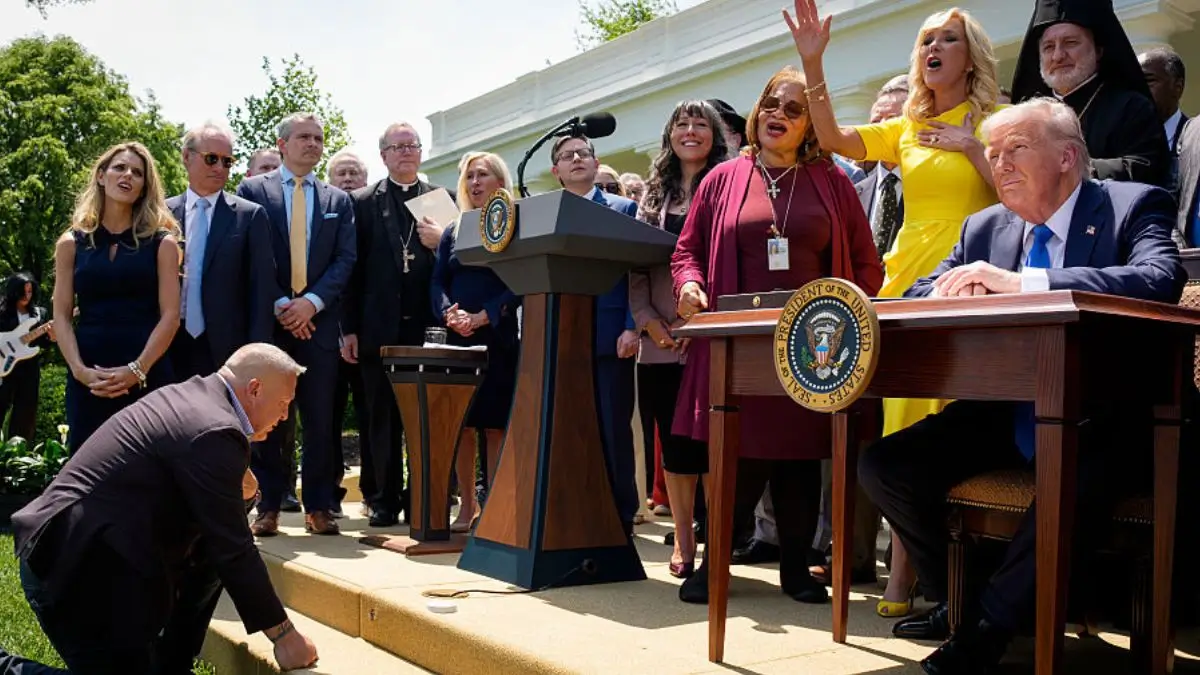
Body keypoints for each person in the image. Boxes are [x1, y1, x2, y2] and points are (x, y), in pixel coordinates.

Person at [859, 98, 1184, 674]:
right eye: (992, 153)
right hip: (1007, 411)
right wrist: (950, 291)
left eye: (1016, 149)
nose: (999, 164)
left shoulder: (1131, 204)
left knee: (1067, 476)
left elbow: (1159, 278)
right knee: (886, 466)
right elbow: (919, 294)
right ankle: (965, 601)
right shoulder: (984, 226)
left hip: (1109, 416)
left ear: (1067, 157)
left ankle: (984, 633)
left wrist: (1025, 283)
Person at [788, 0, 1003, 618]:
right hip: (906, 281)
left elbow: (1022, 192)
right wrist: (813, 63)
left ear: (971, 57)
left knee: (950, 427)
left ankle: (950, 582)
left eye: (948, 39)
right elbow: (834, 139)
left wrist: (973, 147)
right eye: (927, 39)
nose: (933, 48)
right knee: (899, 427)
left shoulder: (997, 120)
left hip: (972, 282)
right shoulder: (907, 125)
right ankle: (908, 577)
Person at [671, 64, 883, 605]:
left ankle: (795, 568)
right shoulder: (723, 178)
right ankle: (715, 564)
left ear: (810, 124)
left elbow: (866, 261)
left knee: (799, 453)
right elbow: (687, 250)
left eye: (793, 109)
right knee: (739, 453)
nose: (778, 115)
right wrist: (690, 285)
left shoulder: (831, 181)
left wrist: (844, 319)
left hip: (811, 343)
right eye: (770, 103)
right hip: (740, 341)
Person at [3, 343, 319, 674]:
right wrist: (284, 635)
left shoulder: (200, 402)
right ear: (254, 389)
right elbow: (234, 549)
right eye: (283, 403)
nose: (285, 416)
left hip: (105, 559)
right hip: (73, 565)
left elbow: (215, 540)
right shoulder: (213, 428)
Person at [238, 112, 356, 537]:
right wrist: (283, 306)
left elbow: (345, 259)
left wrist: (311, 304)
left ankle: (319, 507)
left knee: (321, 419)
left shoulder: (337, 201)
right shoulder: (254, 191)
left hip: (319, 326)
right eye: (304, 137)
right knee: (268, 419)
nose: (313, 144)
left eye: (319, 138)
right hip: (271, 327)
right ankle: (268, 505)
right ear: (283, 144)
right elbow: (251, 256)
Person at [632, 100, 729, 578]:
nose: (690, 131)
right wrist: (647, 320)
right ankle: (685, 540)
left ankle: (716, 541)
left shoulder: (729, 184)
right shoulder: (652, 196)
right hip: (659, 342)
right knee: (673, 448)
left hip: (708, 337)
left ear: (715, 134)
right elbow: (633, 266)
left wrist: (701, 325)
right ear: (669, 135)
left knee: (710, 446)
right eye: (681, 124)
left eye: (700, 124)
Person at [341, 122, 455, 527]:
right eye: (398, 146)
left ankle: (422, 497)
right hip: (378, 325)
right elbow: (351, 270)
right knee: (381, 416)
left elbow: (455, 265)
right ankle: (383, 499)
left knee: (423, 418)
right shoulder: (361, 202)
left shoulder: (440, 199)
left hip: (427, 325)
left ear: (420, 153)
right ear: (384, 155)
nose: (406, 152)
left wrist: (441, 241)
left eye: (412, 145)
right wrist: (348, 328)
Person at [52, 142, 181, 452]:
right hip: (89, 380)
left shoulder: (163, 243)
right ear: (101, 176)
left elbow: (171, 316)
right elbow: (61, 316)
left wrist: (137, 369)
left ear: (144, 187)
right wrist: (80, 371)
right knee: (87, 469)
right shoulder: (71, 243)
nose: (128, 176)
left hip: (147, 376)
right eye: (119, 168)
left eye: (137, 173)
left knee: (148, 470)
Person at [549, 134, 641, 536]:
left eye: (583, 153)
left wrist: (631, 325)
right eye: (567, 156)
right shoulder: (548, 214)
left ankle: (620, 514)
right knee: (570, 429)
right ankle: (576, 509)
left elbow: (635, 272)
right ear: (556, 170)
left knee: (612, 428)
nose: (576, 159)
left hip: (610, 336)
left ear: (595, 161)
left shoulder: (623, 209)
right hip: (561, 337)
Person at [431, 151, 521, 531]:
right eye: (469, 176)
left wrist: (485, 315)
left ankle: (495, 507)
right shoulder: (454, 230)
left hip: (496, 338)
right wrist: (449, 313)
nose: (475, 182)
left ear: (500, 181)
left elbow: (520, 282)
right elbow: (438, 281)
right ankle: (467, 507)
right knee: (463, 425)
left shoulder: (516, 224)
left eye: (483, 174)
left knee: (494, 425)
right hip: (458, 339)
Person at [1010, 0, 1168, 186]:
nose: (1058, 56)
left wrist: (1071, 167)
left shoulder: (1132, 107)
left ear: (1098, 51)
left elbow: (1145, 169)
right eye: (1049, 47)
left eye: (1070, 43)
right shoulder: (1025, 116)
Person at [167, 122, 276, 381]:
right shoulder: (161, 214)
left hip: (227, 348)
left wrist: (256, 355)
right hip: (167, 344)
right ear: (186, 157)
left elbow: (261, 291)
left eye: (227, 162)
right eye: (211, 158)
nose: (219, 168)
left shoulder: (250, 216)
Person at [323, 149, 370, 517]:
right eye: (341, 173)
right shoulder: (322, 216)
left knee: (372, 415)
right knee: (327, 416)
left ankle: (374, 491)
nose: (349, 179)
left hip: (368, 335)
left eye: (355, 172)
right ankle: (329, 493)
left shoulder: (373, 214)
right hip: (326, 333)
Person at [0, 273, 54, 442]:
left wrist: (53, 338)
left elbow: (43, 344)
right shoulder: (2, 312)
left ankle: (18, 451)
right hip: (3, 367)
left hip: (29, 370)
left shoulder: (39, 314)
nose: (26, 296)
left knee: (25, 415)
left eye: (30, 291)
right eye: (22, 291)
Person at [1139, 48, 1188, 197]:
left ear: (1177, 87)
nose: (1139, 89)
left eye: (1149, 81)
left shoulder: (1193, 140)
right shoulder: (1122, 139)